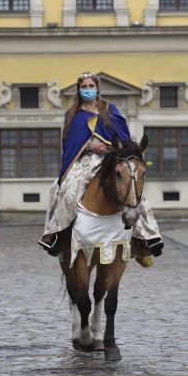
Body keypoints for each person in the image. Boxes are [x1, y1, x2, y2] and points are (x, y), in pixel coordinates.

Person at [39, 71, 163, 258]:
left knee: (132, 186)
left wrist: (114, 147)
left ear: (97, 88)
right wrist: (89, 144)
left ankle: (148, 235)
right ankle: (56, 234)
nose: (88, 90)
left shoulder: (110, 110)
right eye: (84, 87)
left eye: (91, 86)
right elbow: (70, 141)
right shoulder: (73, 114)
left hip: (112, 156)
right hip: (85, 159)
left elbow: (123, 136)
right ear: (79, 90)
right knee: (68, 187)